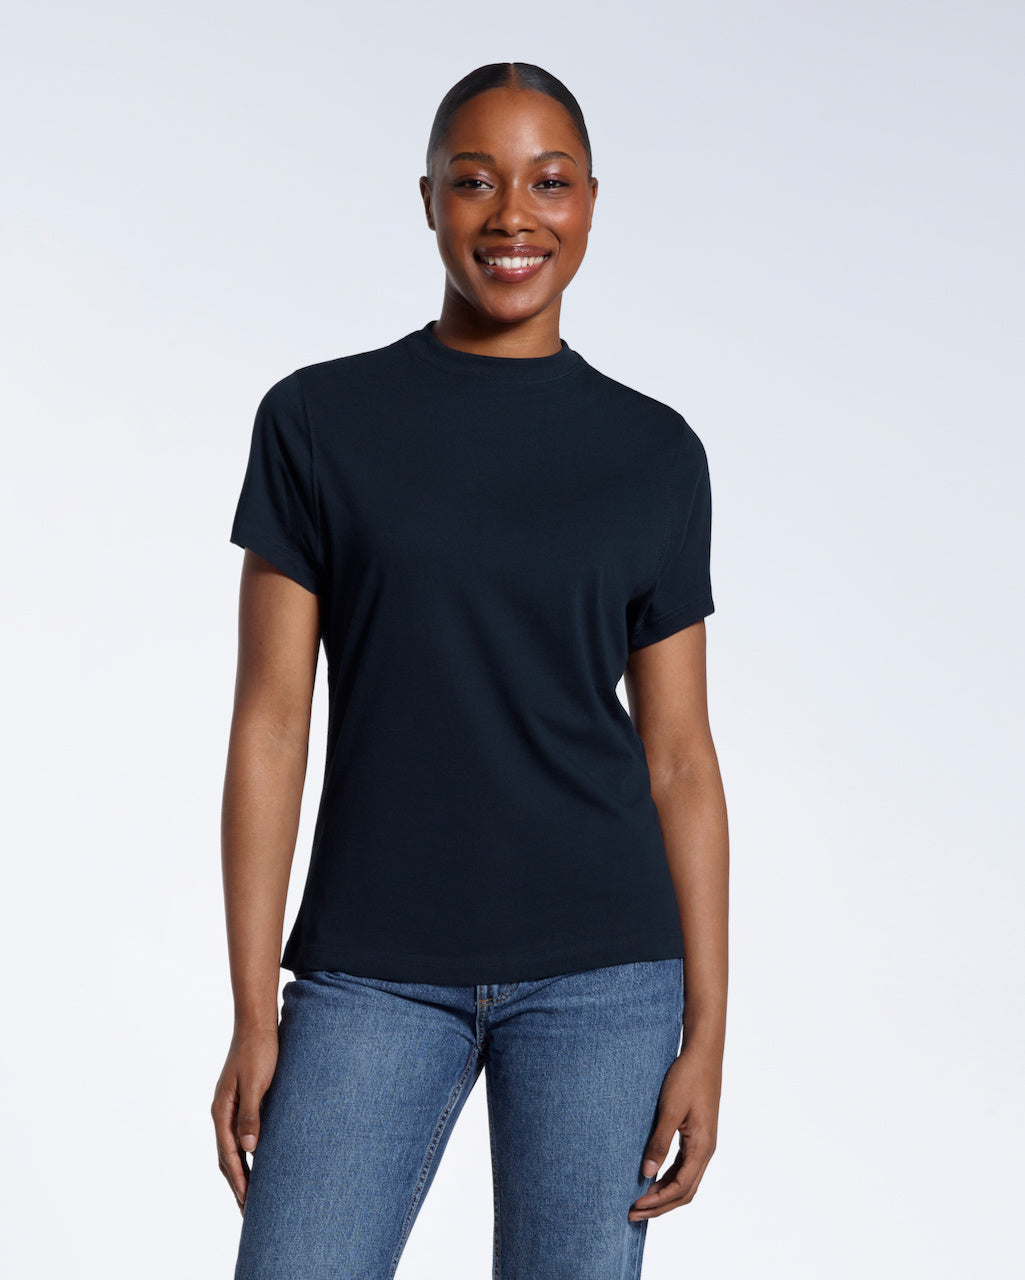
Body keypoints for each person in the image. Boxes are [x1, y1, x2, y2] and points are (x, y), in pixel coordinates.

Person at [212, 61, 729, 1280]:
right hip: (370, 968)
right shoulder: (316, 422)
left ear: (589, 202)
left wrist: (708, 1027)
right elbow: (272, 723)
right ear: (428, 199)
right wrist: (251, 1005)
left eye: (548, 182)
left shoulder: (654, 453)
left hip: (604, 972)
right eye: (473, 181)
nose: (511, 215)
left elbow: (678, 758)